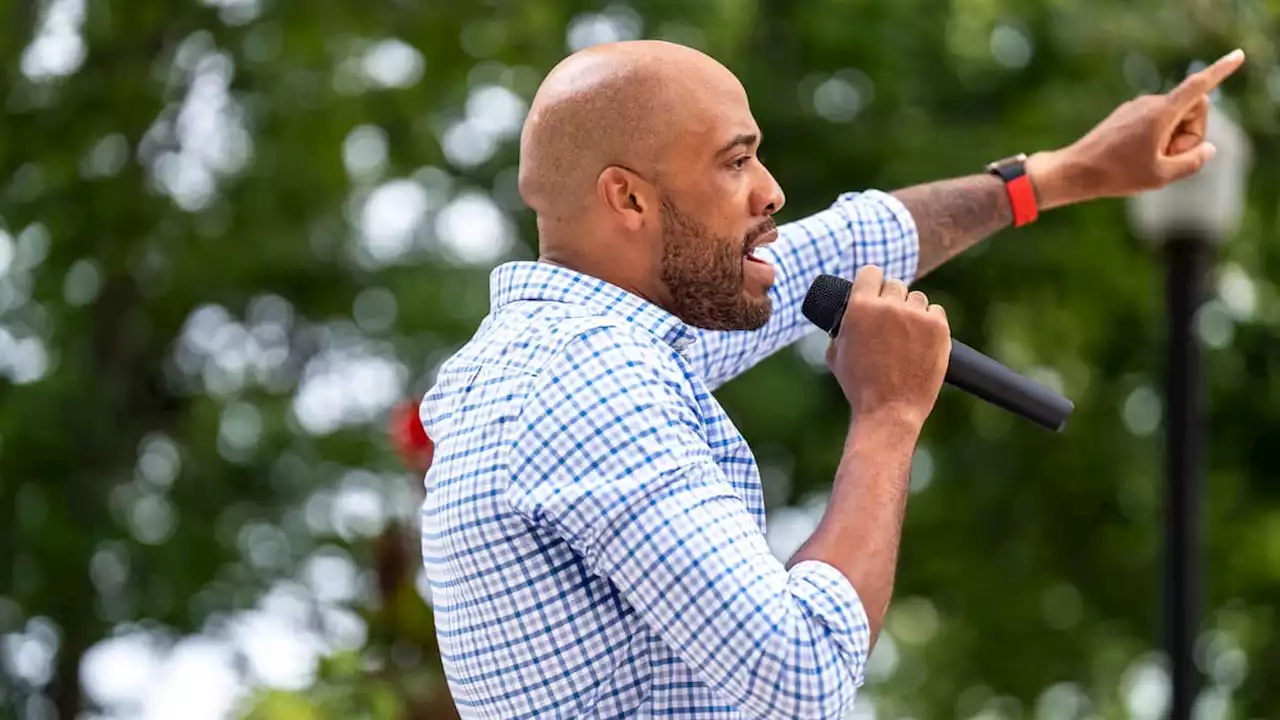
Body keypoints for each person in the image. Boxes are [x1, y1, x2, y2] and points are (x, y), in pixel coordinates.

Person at [418, 39, 1243, 718]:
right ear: (628, 199)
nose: (771, 192)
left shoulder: (570, 353)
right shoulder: (592, 386)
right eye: (735, 162)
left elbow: (849, 243)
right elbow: (800, 672)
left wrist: (1065, 174)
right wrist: (887, 413)